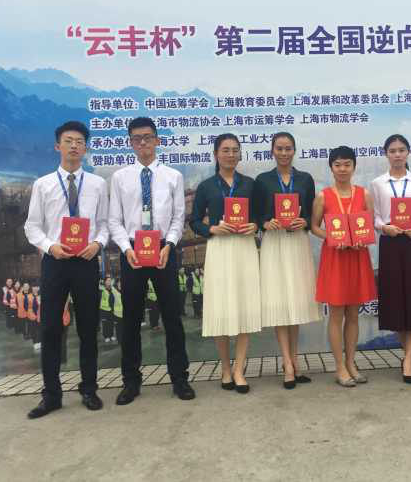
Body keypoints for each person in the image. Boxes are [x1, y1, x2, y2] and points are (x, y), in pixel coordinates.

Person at [23, 120, 109, 419]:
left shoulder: (97, 184)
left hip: (86, 262)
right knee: (50, 328)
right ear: (57, 146)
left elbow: (104, 224)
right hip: (55, 262)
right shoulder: (43, 184)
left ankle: (89, 389)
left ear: (85, 149)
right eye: (68, 141)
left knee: (88, 327)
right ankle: (51, 395)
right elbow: (32, 227)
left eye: (79, 142)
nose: (74, 146)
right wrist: (50, 246)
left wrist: (97, 244)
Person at [108, 116, 195, 404]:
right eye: (137, 138)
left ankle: (180, 379)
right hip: (133, 252)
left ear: (157, 140)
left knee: (172, 317)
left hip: (163, 251)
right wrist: (126, 248)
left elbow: (178, 217)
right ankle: (131, 382)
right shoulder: (120, 178)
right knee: (131, 319)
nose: (143, 142)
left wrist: (170, 245)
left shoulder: (173, 176)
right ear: (130, 143)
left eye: (147, 137)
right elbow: (114, 220)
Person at [190, 133, 261, 394]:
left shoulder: (250, 184)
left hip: (244, 249)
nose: (231, 155)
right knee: (220, 308)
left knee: (244, 306)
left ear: (240, 154)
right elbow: (194, 221)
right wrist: (211, 229)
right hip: (219, 249)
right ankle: (225, 368)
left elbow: (260, 216)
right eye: (225, 150)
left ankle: (240, 369)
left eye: (235, 150)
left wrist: (255, 225)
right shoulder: (206, 186)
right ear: (216, 154)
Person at [253, 132, 322, 389]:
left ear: (294, 150)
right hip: (274, 243)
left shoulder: (305, 179)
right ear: (272, 151)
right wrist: (265, 222)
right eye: (279, 148)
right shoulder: (263, 180)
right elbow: (256, 214)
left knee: (296, 302)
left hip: (297, 243)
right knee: (281, 302)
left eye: (288, 148)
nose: (284, 153)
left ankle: (295, 360)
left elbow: (313, 215)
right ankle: (287, 363)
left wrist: (305, 222)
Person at [311, 146, 377, 387]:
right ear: (331, 167)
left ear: (354, 167)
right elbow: (314, 226)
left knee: (353, 315)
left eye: (347, 164)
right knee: (336, 315)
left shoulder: (364, 194)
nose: (342, 169)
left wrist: (363, 238)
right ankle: (339, 367)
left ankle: (351, 363)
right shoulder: (323, 196)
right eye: (337, 165)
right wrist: (331, 237)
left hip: (357, 257)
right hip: (335, 259)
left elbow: (369, 225)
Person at [370, 134, 411, 384]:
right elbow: (374, 216)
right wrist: (383, 227)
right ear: (386, 154)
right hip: (391, 243)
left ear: (408, 152)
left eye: (401, 150)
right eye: (392, 150)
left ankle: (408, 358)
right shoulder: (377, 183)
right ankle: (407, 355)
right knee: (395, 300)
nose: (397, 154)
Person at [99, 276, 117, 342]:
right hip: (104, 310)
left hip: (111, 309)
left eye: (110, 280)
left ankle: (111, 335)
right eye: (108, 280)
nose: (109, 282)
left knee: (111, 323)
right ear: (105, 282)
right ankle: (106, 336)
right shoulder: (101, 289)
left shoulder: (113, 289)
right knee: (105, 324)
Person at [29, 285, 41, 350]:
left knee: (40, 330)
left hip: (41, 316)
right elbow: (28, 307)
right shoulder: (29, 296)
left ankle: (40, 342)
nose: (35, 289)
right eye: (34, 287)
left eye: (36, 287)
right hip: (33, 316)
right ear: (32, 288)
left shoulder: (41, 296)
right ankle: (35, 343)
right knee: (34, 330)